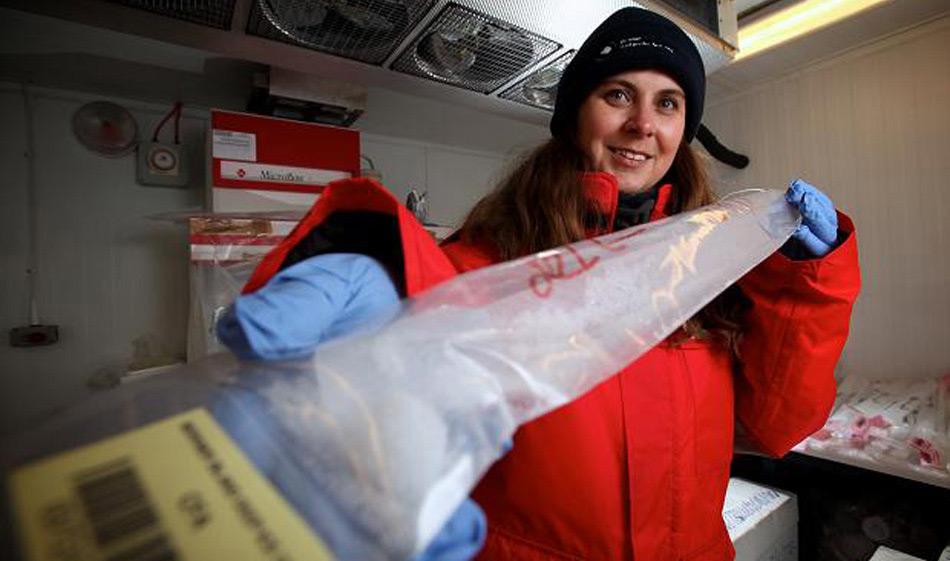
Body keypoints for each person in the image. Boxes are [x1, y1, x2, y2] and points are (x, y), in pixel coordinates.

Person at [218, 7, 860, 560]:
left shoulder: (713, 271)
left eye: (668, 103)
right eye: (617, 95)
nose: (643, 123)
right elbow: (409, 323)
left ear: (682, 132)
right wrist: (368, 253)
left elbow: (777, 426)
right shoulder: (492, 265)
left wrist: (808, 288)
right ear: (574, 116)